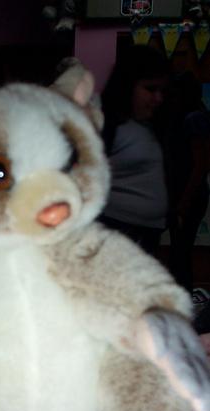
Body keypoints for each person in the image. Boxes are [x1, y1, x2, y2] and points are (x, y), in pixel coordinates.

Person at [99, 44, 170, 257]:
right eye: (150, 89)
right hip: (118, 231)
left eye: (162, 91)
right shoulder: (106, 126)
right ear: (127, 86)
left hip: (147, 232)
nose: (158, 98)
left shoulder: (152, 126)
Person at [165, 71, 210, 292]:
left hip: (188, 194)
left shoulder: (193, 119)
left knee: (180, 252)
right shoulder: (191, 117)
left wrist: (184, 200)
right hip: (185, 193)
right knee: (179, 251)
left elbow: (201, 164)